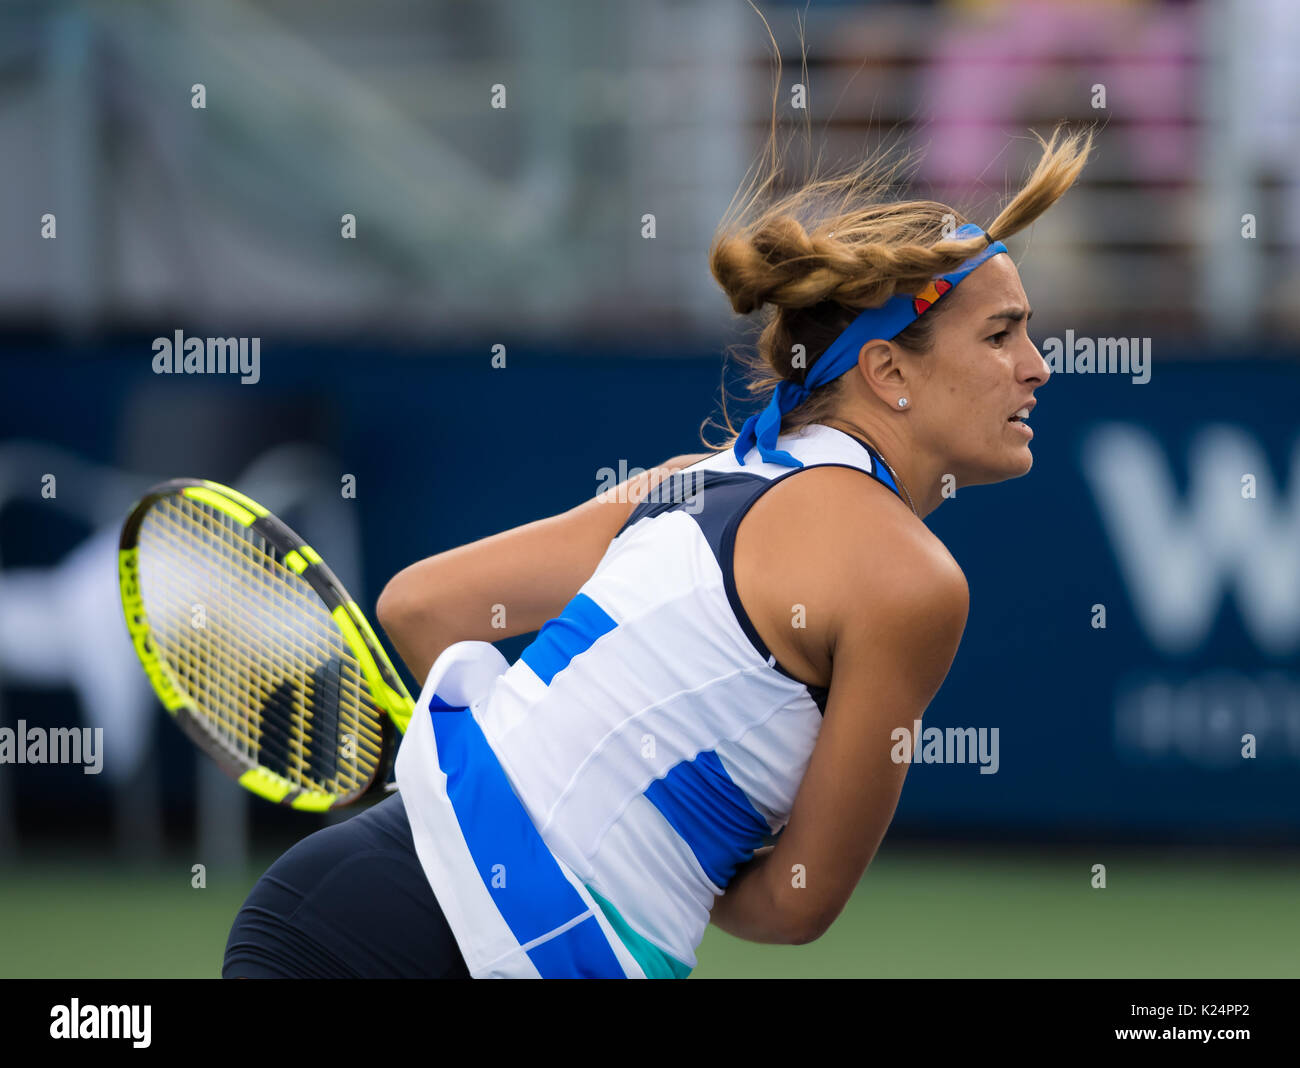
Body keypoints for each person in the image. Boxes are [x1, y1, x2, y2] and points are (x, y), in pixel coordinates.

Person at [222, 105, 1093, 978]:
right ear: (888, 373)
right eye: (999, 333)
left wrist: (549, 781)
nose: (1037, 365)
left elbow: (423, 605)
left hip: (342, 897)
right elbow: (794, 901)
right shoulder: (912, 582)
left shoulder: (696, 477)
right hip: (459, 945)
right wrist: (657, 850)